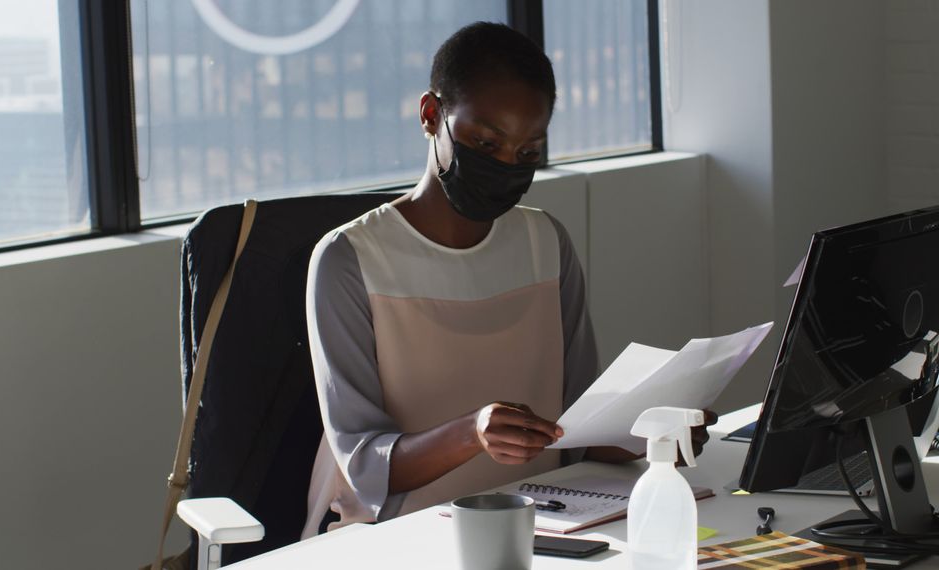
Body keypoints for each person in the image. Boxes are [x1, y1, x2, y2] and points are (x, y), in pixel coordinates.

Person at [301, 22, 711, 537]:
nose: (505, 166)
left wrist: (660, 432)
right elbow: (364, 466)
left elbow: (578, 426)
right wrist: (473, 433)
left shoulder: (545, 244)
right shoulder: (349, 260)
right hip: (403, 533)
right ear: (432, 116)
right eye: (485, 142)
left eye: (527, 153)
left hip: (548, 524)